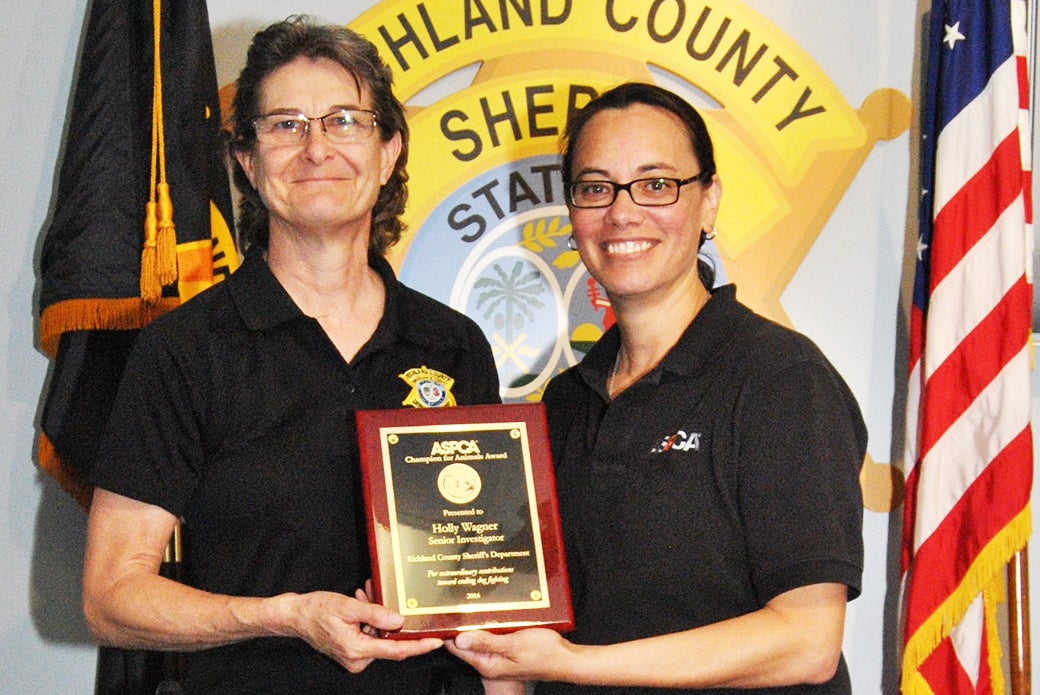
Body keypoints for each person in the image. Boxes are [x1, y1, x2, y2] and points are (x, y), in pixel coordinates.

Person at [82, 16, 502, 694]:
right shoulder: (185, 349)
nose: (315, 148)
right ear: (246, 161)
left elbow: (494, 597)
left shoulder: (453, 345)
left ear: (389, 149)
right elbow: (110, 595)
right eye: (284, 125)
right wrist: (285, 616)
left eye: (344, 120)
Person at [446, 82, 867, 694]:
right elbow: (520, 626)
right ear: (572, 212)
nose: (622, 212)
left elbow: (806, 643)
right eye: (595, 188)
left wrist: (568, 664)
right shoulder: (563, 405)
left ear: (709, 201)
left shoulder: (781, 379)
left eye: (656, 184)